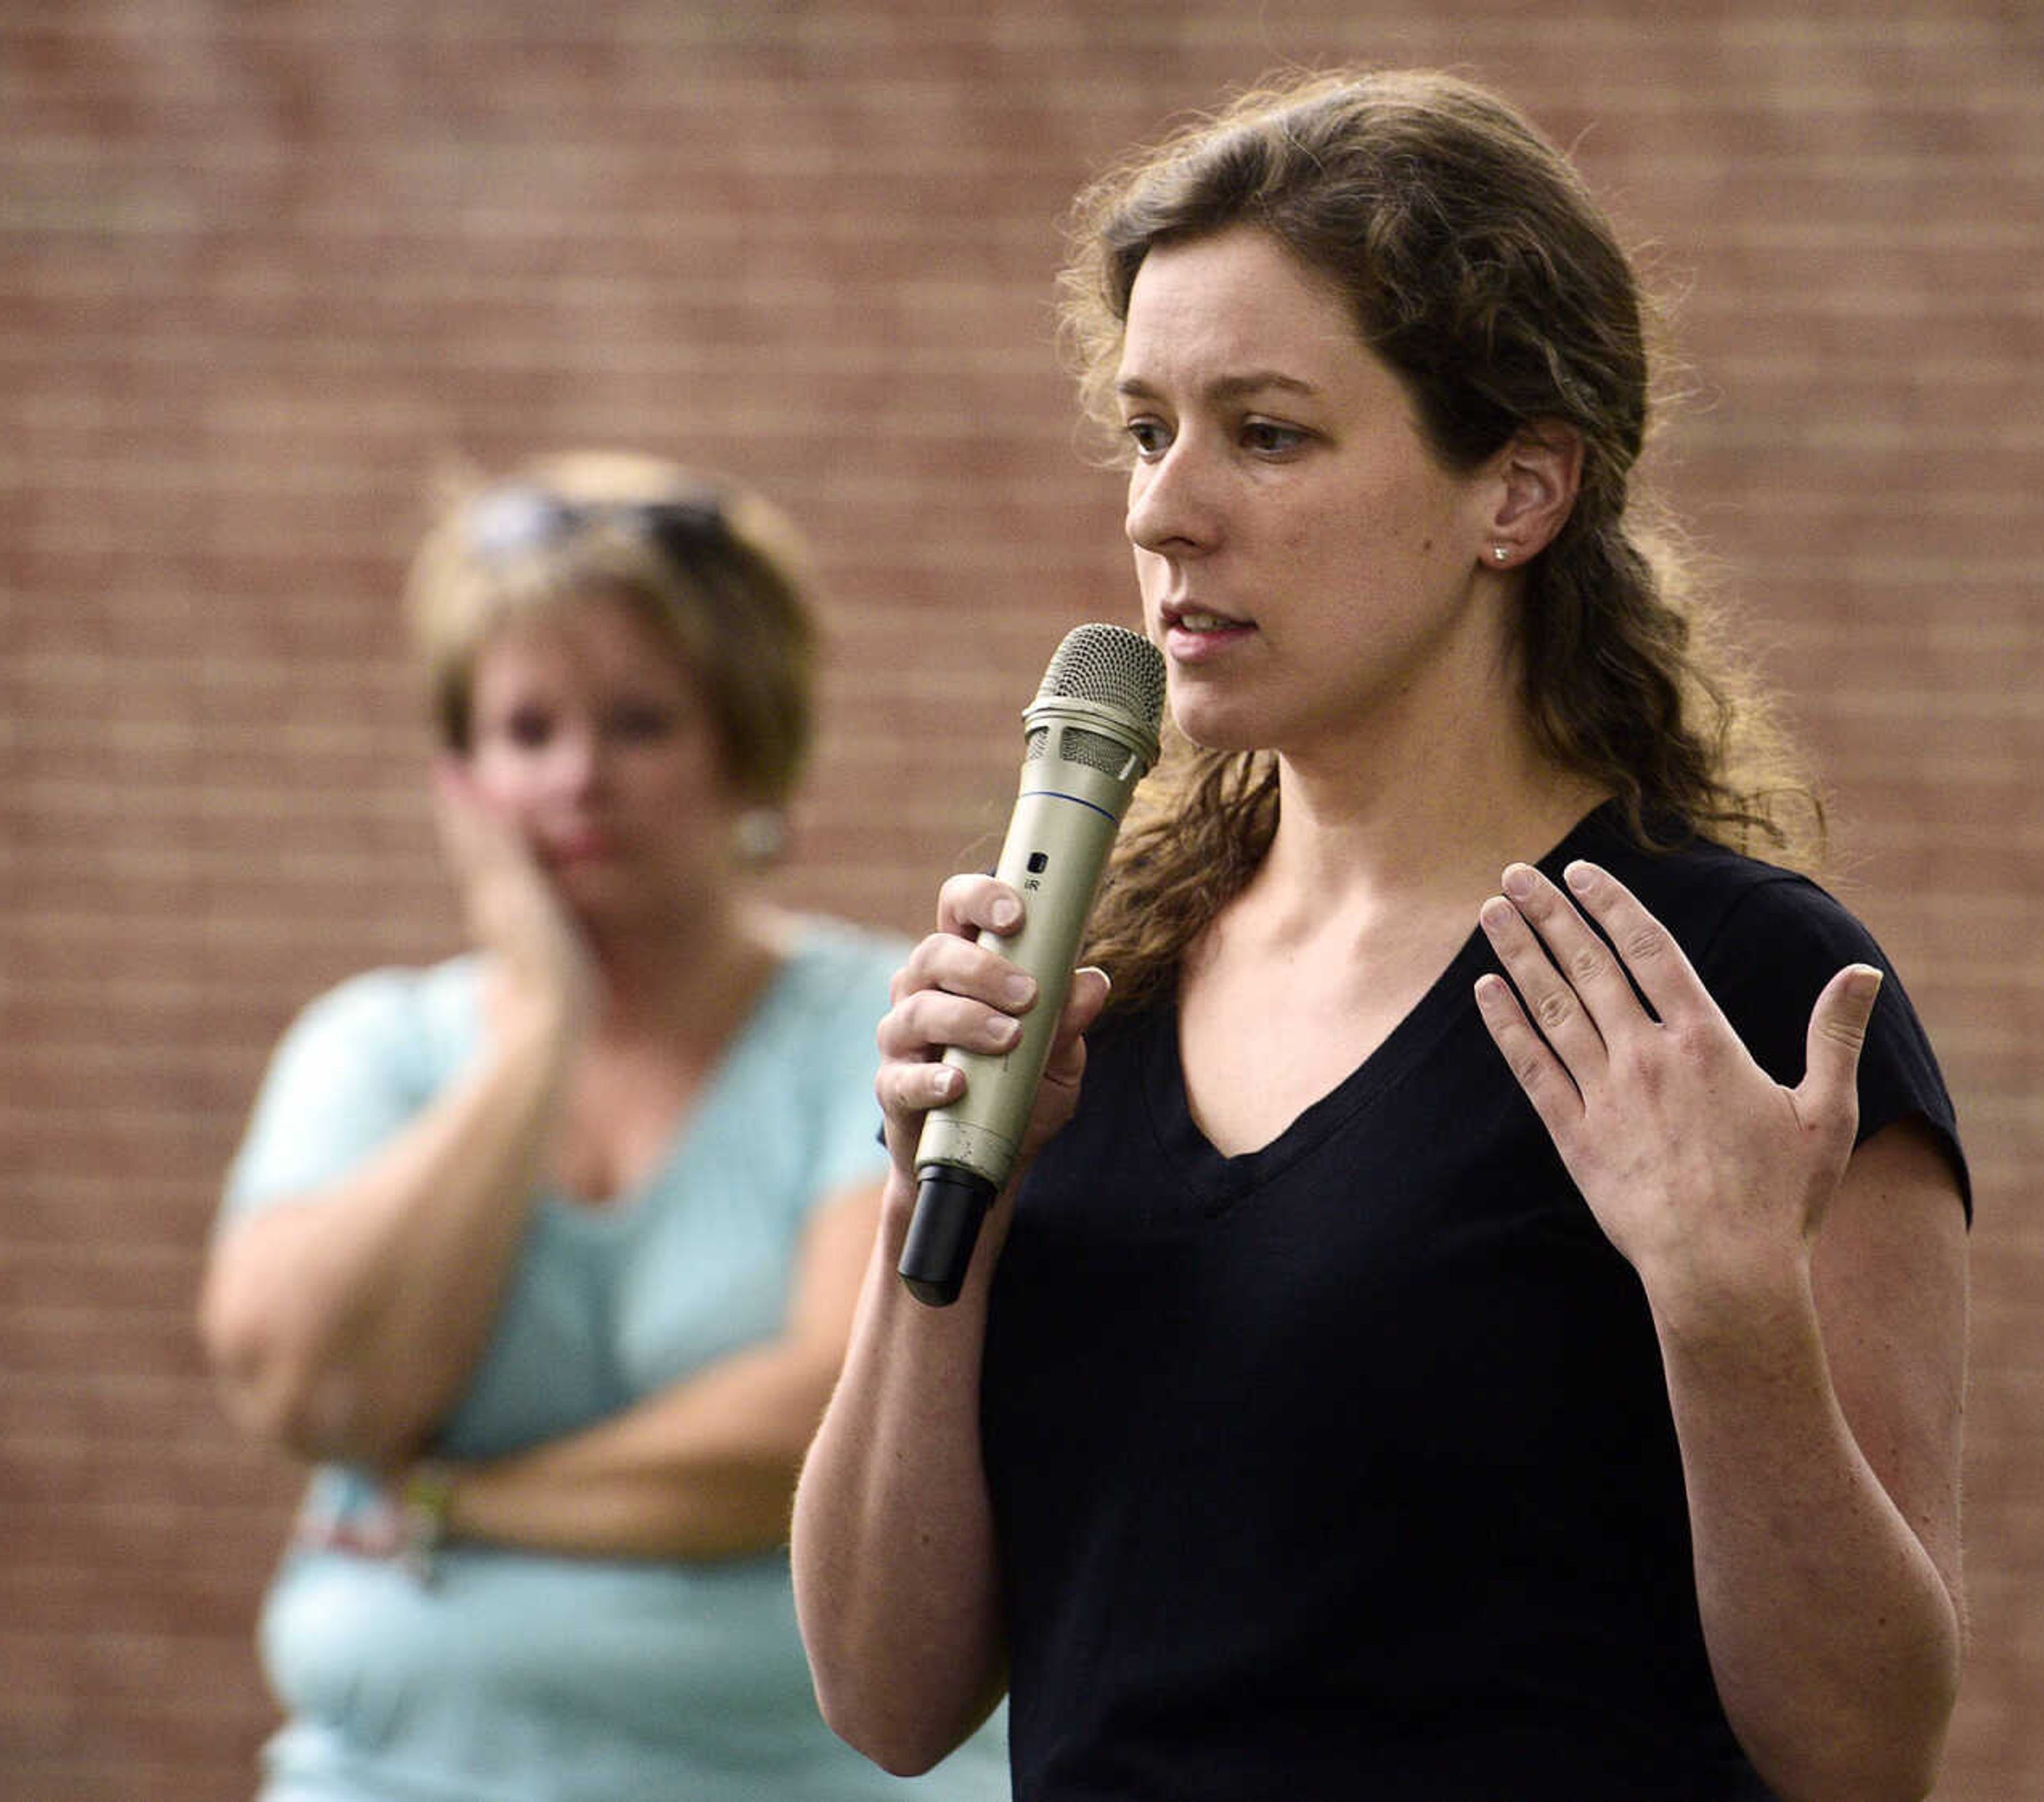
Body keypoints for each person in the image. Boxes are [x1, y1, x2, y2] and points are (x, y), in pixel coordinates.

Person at [792, 70, 1971, 1802]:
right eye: (1145, 428)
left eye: (1265, 432)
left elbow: (1867, 1748)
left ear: (1519, 490)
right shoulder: (1095, 971)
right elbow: (886, 1693)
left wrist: (1730, 1312)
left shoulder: (1728, 989)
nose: (1163, 509)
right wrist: (941, 1191)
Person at [200, 450, 1008, 1801]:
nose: (578, 778)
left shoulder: (881, 1025)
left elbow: (817, 1427)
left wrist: (461, 1501)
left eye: (640, 724)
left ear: (749, 747)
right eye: (526, 732)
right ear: (462, 773)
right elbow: (314, 1390)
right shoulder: (374, 1047)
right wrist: (539, 1031)